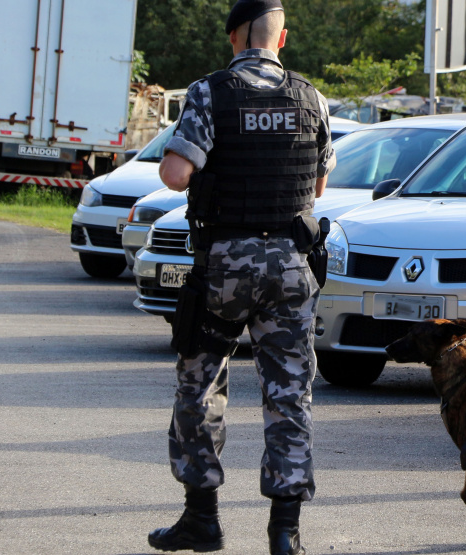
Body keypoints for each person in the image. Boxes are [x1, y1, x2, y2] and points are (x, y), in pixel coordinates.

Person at [147, 1, 334, 554]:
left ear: (234, 37)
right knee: (289, 394)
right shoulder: (311, 97)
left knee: (200, 385)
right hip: (292, 267)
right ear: (283, 38)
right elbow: (318, 186)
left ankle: (201, 519)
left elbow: (175, 173)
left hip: (226, 266)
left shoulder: (210, 93)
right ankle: (285, 532)